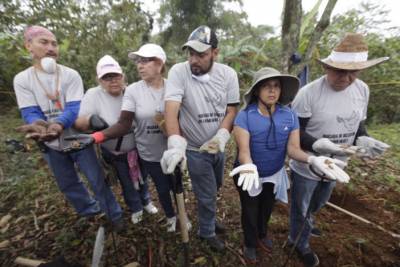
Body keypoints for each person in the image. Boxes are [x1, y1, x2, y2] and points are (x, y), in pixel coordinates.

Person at [288, 33, 390, 267]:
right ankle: (298, 241)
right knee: (301, 205)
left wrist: (363, 139)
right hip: (309, 163)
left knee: (319, 202)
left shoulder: (362, 90)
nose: (345, 78)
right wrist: (317, 145)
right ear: (327, 68)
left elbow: (357, 123)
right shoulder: (309, 93)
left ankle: (307, 226)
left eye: (352, 72)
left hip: (339, 162)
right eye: (339, 71)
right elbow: (295, 133)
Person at [229, 67, 350, 264]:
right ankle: (250, 243)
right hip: (248, 172)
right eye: (267, 86)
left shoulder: (289, 115)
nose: (272, 91)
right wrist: (249, 166)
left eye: (276, 86)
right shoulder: (245, 116)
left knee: (267, 206)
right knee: (250, 210)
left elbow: (293, 149)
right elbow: (244, 151)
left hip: (274, 172)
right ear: (257, 90)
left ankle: (262, 233)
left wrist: (313, 159)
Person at [67, 44, 189, 232]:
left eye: (146, 60)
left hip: (174, 148)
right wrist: (97, 137)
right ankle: (171, 216)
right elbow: (124, 124)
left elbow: (187, 115)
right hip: (149, 152)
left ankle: (183, 215)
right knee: (162, 188)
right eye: (138, 61)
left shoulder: (175, 86)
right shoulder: (133, 90)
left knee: (177, 185)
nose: (140, 65)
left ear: (160, 63)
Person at [13, 25, 123, 229]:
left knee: (96, 178)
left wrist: (57, 124)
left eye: (54, 43)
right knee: (67, 183)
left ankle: (114, 215)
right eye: (44, 42)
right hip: (50, 144)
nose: (51, 48)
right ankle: (90, 211)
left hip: (79, 139)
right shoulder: (22, 79)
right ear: (29, 46)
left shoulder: (70, 75)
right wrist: (36, 125)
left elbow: (74, 108)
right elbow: (29, 110)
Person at [160, 25, 240, 251]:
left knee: (214, 188)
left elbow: (231, 110)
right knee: (206, 194)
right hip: (195, 150)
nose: (194, 60)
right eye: (191, 54)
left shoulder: (228, 75)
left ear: (215, 53)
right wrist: (176, 144)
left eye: (201, 55)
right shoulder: (179, 72)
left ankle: (210, 218)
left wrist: (222, 136)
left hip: (217, 148)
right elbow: (171, 109)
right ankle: (206, 232)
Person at [74, 55, 158, 225]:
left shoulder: (132, 92)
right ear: (99, 80)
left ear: (123, 76)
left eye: (116, 76)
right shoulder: (93, 95)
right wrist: (91, 120)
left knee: (143, 177)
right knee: (127, 182)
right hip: (115, 151)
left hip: (139, 147)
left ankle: (146, 200)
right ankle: (135, 207)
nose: (112, 81)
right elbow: (79, 122)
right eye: (107, 77)